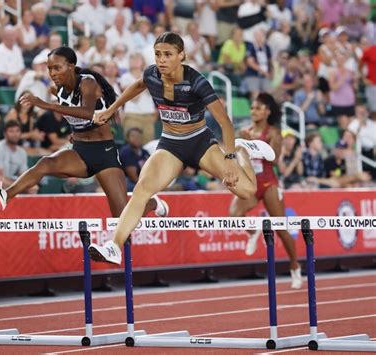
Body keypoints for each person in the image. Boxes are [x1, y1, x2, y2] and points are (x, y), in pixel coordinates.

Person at [88, 32, 275, 265]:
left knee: (247, 191)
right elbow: (137, 85)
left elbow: (225, 121)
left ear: (181, 55)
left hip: (200, 142)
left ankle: (243, 150)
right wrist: (111, 109)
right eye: (158, 55)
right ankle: (114, 246)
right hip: (171, 144)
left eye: (168, 55)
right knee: (141, 190)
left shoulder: (196, 82)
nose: (162, 60)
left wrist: (230, 158)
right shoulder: (152, 75)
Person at [0, 46, 168, 223]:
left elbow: (88, 112)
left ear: (71, 66)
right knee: (46, 163)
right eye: (49, 69)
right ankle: (5, 195)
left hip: (104, 153)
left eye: (57, 67)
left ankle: (151, 203)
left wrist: (46, 105)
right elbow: (76, 117)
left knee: (121, 218)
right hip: (80, 152)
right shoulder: (59, 90)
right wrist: (76, 132)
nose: (52, 73)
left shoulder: (87, 82)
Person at [229, 93, 302, 289]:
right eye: (252, 108)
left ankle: (295, 267)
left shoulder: (273, 133)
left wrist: (252, 143)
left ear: (267, 112)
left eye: (258, 108)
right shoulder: (244, 131)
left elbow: (275, 159)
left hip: (269, 183)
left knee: (280, 228)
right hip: (251, 182)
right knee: (234, 214)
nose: (253, 111)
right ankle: (253, 233)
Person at [0, 119, 37, 193]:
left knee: (33, 187)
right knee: (1, 182)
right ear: (5, 134)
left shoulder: (22, 152)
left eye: (17, 131)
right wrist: (21, 186)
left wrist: (28, 185)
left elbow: (23, 175)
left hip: (11, 183)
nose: (15, 134)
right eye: (11, 131)